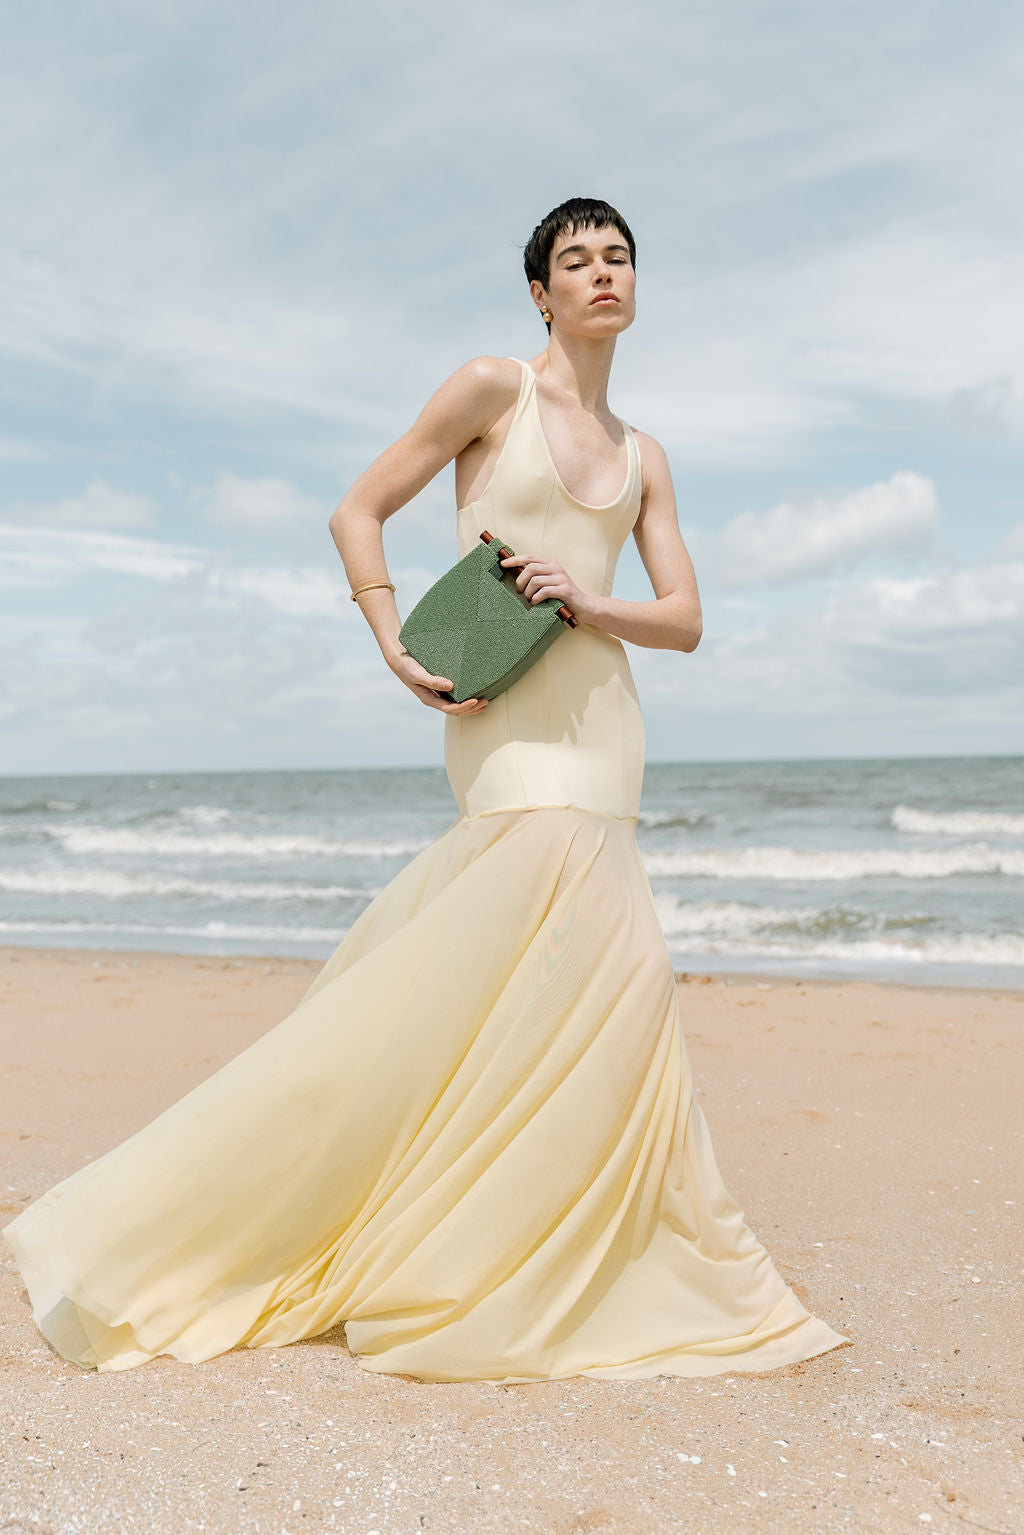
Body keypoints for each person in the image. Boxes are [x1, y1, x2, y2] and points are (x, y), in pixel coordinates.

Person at [2, 197, 851, 1380]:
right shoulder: (490, 391)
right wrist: (392, 640)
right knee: (534, 978)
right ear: (540, 295)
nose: (601, 274)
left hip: (605, 726)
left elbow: (686, 619)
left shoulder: (647, 455)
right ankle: (281, 1222)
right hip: (505, 725)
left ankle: (543, 1245)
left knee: (599, 991)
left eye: (617, 258)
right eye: (575, 261)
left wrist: (585, 597)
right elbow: (357, 507)